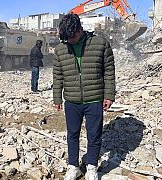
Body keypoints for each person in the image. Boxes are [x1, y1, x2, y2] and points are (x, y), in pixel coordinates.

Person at [53, 14, 115, 180]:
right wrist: (57, 97)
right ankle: (73, 166)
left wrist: (109, 95)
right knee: (72, 134)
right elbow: (57, 75)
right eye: (65, 38)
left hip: (95, 98)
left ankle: (92, 167)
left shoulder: (100, 44)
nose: (69, 41)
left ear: (80, 30)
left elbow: (109, 71)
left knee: (94, 135)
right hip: (72, 100)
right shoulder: (60, 49)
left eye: (71, 37)